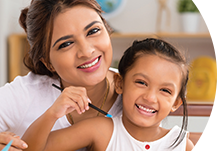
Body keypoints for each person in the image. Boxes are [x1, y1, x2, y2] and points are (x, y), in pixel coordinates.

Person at [0, 0, 123, 151]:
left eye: (93, 31)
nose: (87, 51)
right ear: (47, 62)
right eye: (66, 44)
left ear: (107, 29)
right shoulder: (27, 94)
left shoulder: (137, 89)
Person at [21, 38, 197, 151]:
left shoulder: (182, 145)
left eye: (165, 91)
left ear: (176, 103)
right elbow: (30, 149)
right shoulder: (101, 130)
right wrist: (53, 113)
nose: (150, 97)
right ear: (119, 83)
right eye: (141, 83)